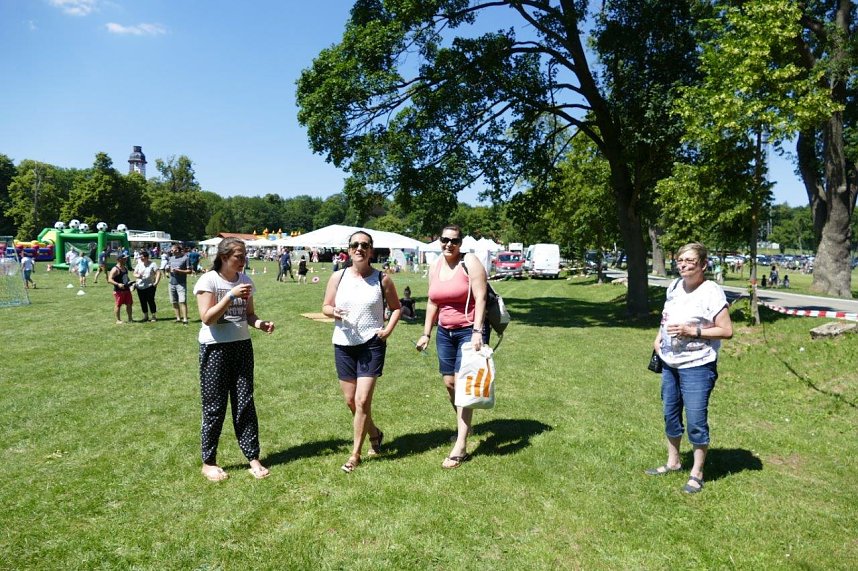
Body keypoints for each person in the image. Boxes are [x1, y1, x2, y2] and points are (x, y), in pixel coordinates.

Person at [648, 242, 733, 494]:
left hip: (697, 365)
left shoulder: (711, 292)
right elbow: (666, 318)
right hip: (669, 363)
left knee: (696, 419)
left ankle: (697, 472)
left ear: (703, 265)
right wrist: (657, 338)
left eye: (689, 261)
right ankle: (673, 463)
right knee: (670, 414)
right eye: (679, 261)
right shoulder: (675, 286)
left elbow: (727, 331)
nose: (682, 265)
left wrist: (692, 331)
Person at [193, 237, 275, 482]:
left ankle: (252, 457)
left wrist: (261, 324)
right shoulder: (208, 280)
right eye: (238, 255)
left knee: (245, 403)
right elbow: (207, 318)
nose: (243, 260)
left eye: (244, 255)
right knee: (215, 406)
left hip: (241, 346)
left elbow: (249, 315)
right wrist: (229, 295)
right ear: (224, 257)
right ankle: (209, 462)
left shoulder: (246, 280)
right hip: (214, 348)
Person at [322, 231, 401, 473]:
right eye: (355, 245)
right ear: (349, 249)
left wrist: (387, 330)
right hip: (344, 343)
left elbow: (397, 308)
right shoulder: (338, 276)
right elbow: (325, 306)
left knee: (362, 400)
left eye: (364, 245)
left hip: (371, 343)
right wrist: (333, 312)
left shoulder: (382, 279)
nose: (359, 249)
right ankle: (375, 433)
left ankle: (355, 454)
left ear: (371, 250)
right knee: (351, 401)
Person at [415, 225, 489, 469]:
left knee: (463, 384)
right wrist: (426, 333)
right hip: (445, 333)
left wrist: (478, 331)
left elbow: (480, 297)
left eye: (454, 241)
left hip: (469, 330)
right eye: (444, 240)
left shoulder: (470, 262)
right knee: (449, 383)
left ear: (461, 242)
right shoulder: (436, 265)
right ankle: (463, 426)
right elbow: (432, 301)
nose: (449, 245)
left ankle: (461, 446)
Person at [134, 251, 161, 322]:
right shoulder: (139, 264)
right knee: (142, 301)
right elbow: (134, 273)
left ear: (146, 257)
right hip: (140, 286)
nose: (141, 258)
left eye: (142, 257)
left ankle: (153, 316)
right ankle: (145, 316)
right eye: (140, 257)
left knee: (151, 300)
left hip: (150, 286)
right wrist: (138, 276)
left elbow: (158, 273)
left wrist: (156, 282)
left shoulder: (153, 264)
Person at [168, 244, 192, 325]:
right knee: (174, 301)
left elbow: (189, 271)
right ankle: (178, 318)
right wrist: (168, 269)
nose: (171, 252)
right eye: (171, 250)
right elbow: (168, 268)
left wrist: (179, 271)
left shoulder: (185, 258)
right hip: (171, 283)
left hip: (181, 284)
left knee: (182, 301)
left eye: (173, 250)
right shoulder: (171, 258)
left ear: (177, 250)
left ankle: (185, 319)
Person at [107, 253, 133, 324]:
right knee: (118, 305)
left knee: (129, 304)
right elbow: (109, 280)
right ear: (119, 259)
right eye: (124, 258)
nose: (126, 259)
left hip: (127, 290)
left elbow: (125, 278)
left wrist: (130, 283)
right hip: (118, 291)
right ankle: (118, 320)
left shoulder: (125, 268)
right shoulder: (115, 269)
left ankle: (130, 319)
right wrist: (118, 284)